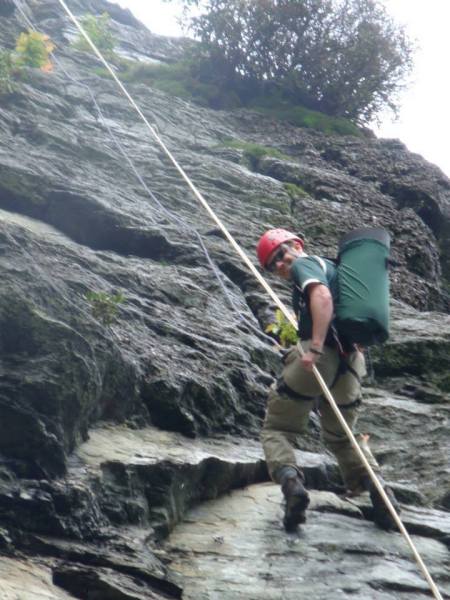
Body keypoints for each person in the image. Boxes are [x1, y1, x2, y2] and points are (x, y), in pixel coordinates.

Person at [256, 228, 400, 532]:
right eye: (273, 265)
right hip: (350, 365)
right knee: (343, 436)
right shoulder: (336, 270)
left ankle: (292, 486)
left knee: (277, 428)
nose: (281, 265)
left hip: (320, 357)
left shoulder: (305, 265)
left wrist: (316, 347)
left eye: (281, 254)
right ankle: (382, 497)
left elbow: (321, 296)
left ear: (297, 245)